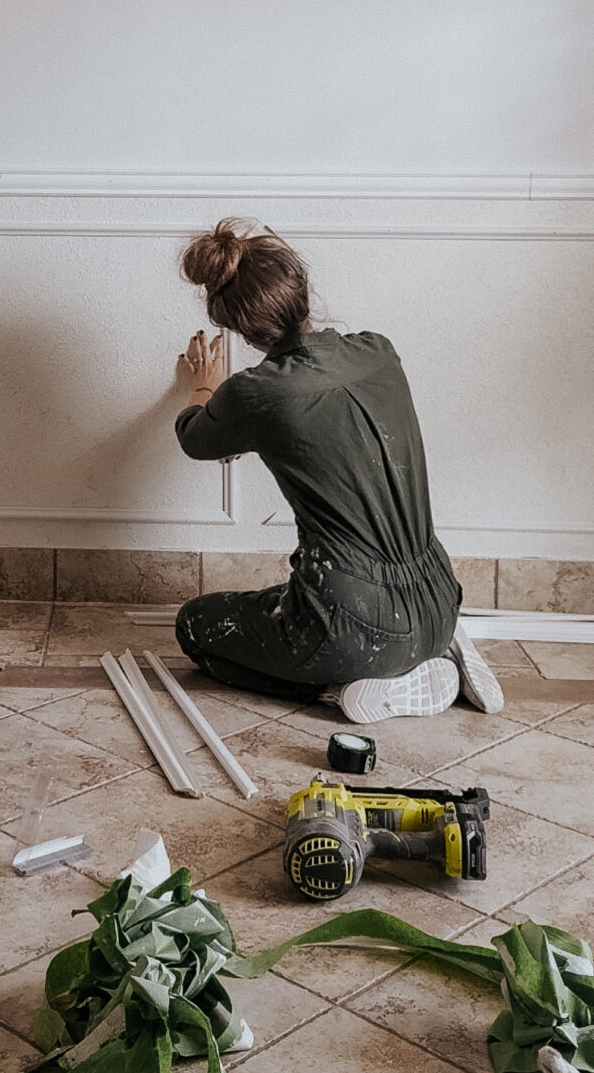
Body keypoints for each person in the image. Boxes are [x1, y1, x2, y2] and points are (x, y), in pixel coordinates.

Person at [172, 218, 502, 723]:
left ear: (238, 327)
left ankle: (364, 684)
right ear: (300, 287)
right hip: (439, 596)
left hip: (359, 627)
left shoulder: (255, 393)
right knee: (282, 602)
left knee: (195, 627)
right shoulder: (379, 351)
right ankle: (436, 646)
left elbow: (196, 439)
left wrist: (204, 388)